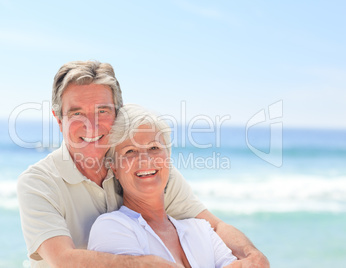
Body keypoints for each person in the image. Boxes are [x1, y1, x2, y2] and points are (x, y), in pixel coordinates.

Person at [17, 60, 269, 268]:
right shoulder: (38, 183)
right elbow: (64, 259)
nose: (91, 126)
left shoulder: (145, 171)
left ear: (118, 113)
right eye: (76, 113)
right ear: (59, 120)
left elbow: (212, 226)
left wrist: (251, 255)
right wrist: (144, 264)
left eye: (102, 111)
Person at [88, 104, 237, 268]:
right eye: (130, 151)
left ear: (168, 158)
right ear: (115, 168)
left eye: (154, 147)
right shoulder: (111, 227)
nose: (145, 159)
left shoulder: (202, 230)